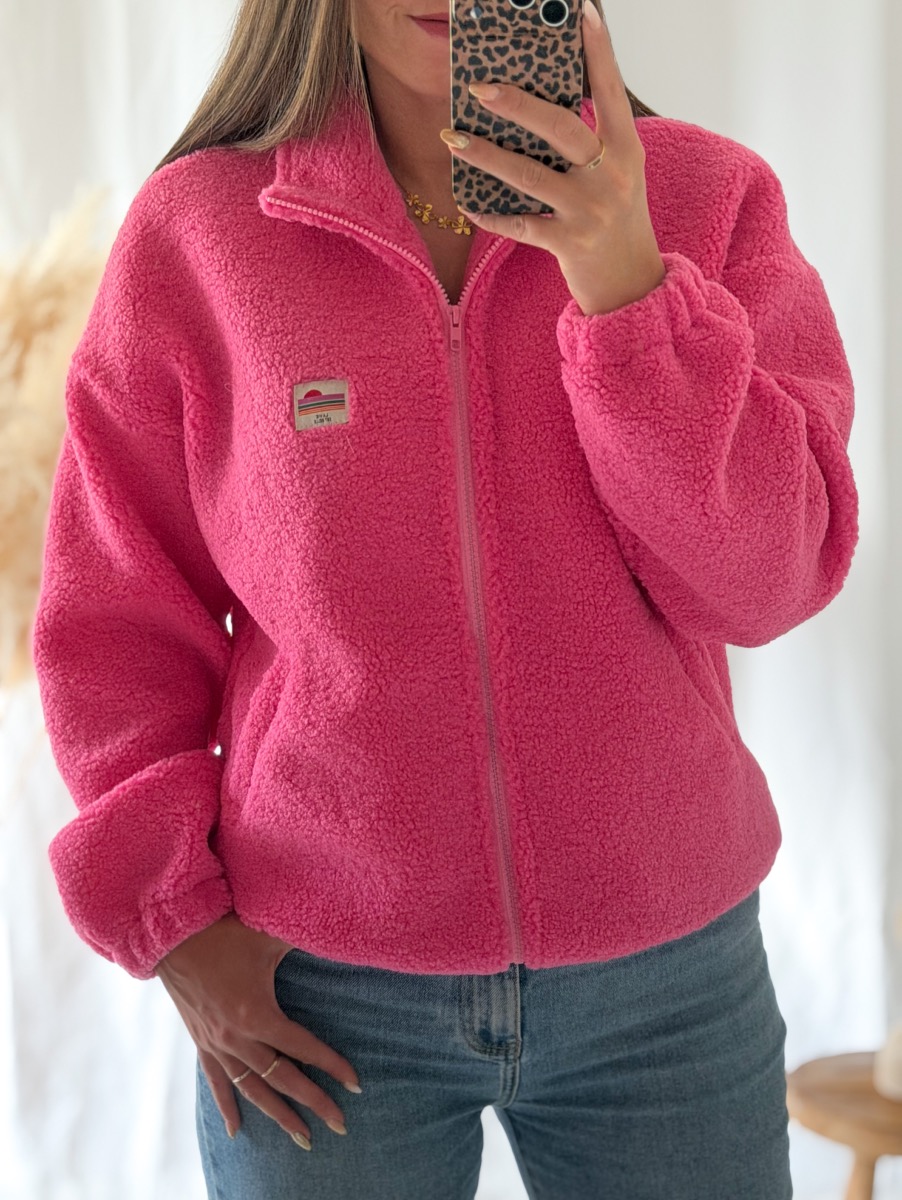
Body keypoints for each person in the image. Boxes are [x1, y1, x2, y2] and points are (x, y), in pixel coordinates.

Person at [32, 0, 859, 1196]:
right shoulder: (199, 235)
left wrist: (626, 285)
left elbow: (769, 579)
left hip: (663, 988)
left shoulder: (706, 200)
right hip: (317, 995)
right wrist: (172, 921)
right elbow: (114, 610)